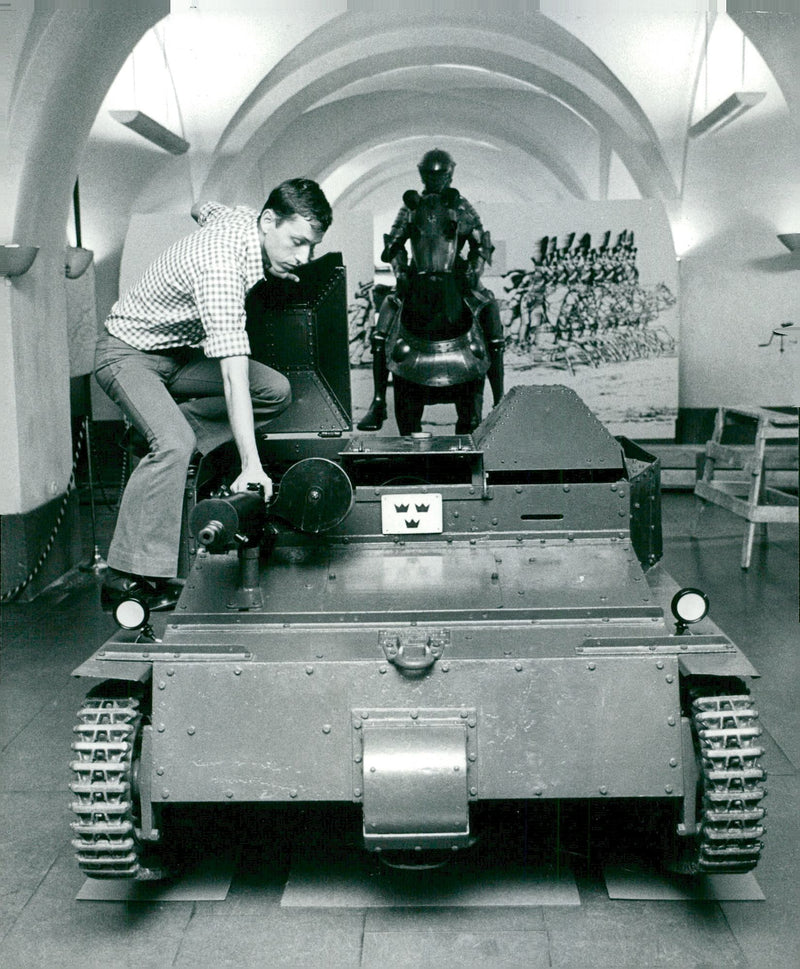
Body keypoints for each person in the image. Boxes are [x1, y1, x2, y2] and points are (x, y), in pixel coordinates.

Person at [94, 178, 332, 611]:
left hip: (176, 358)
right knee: (175, 444)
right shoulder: (220, 268)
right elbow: (232, 380)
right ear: (268, 221)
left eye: (312, 246)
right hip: (126, 355)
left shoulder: (240, 218)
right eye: (297, 242)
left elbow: (204, 207)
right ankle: (124, 575)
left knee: (274, 390)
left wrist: (203, 209)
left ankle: (157, 426)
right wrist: (251, 466)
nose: (303, 258)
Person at [358, 149, 504, 431]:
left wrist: (474, 270)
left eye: (441, 174)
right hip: (417, 275)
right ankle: (378, 402)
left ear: (450, 173)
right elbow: (394, 245)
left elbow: (481, 243)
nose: (435, 179)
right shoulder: (411, 206)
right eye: (430, 174)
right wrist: (400, 272)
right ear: (421, 174)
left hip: (457, 276)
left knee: (490, 312)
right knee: (383, 324)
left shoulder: (461, 206)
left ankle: (499, 401)